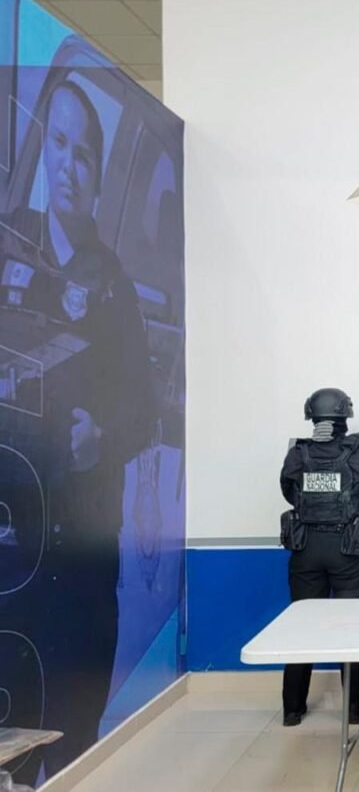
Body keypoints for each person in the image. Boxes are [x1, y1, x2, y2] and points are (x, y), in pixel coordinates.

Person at [2, 79, 156, 783]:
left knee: (74, 730)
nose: (68, 165)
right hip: (13, 547)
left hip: (82, 548)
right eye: (58, 145)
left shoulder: (113, 286)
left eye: (83, 154)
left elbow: (145, 410)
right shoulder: (11, 244)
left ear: (96, 175)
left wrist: (104, 436)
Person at [278, 388, 359, 727]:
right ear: (345, 416)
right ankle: (355, 708)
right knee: (350, 631)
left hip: (306, 550)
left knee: (301, 629)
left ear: (312, 416)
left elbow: (288, 492)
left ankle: (292, 709)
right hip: (347, 550)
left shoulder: (298, 453)